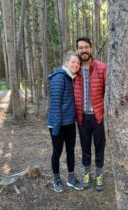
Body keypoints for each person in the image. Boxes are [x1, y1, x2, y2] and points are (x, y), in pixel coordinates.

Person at [74, 37, 107, 192]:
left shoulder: (101, 68)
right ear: (77, 50)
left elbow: (109, 93)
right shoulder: (75, 70)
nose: (84, 50)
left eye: (86, 47)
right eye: (81, 48)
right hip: (82, 117)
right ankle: (87, 174)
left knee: (100, 147)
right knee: (85, 147)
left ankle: (99, 175)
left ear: (91, 49)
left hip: (98, 116)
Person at [47, 52, 83, 192]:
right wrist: (56, 129)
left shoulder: (71, 78)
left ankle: (71, 178)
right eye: (73, 62)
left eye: (78, 63)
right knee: (57, 151)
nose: (76, 65)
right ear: (66, 63)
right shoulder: (59, 77)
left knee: (70, 151)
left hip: (69, 123)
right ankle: (56, 180)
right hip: (57, 123)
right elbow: (56, 104)